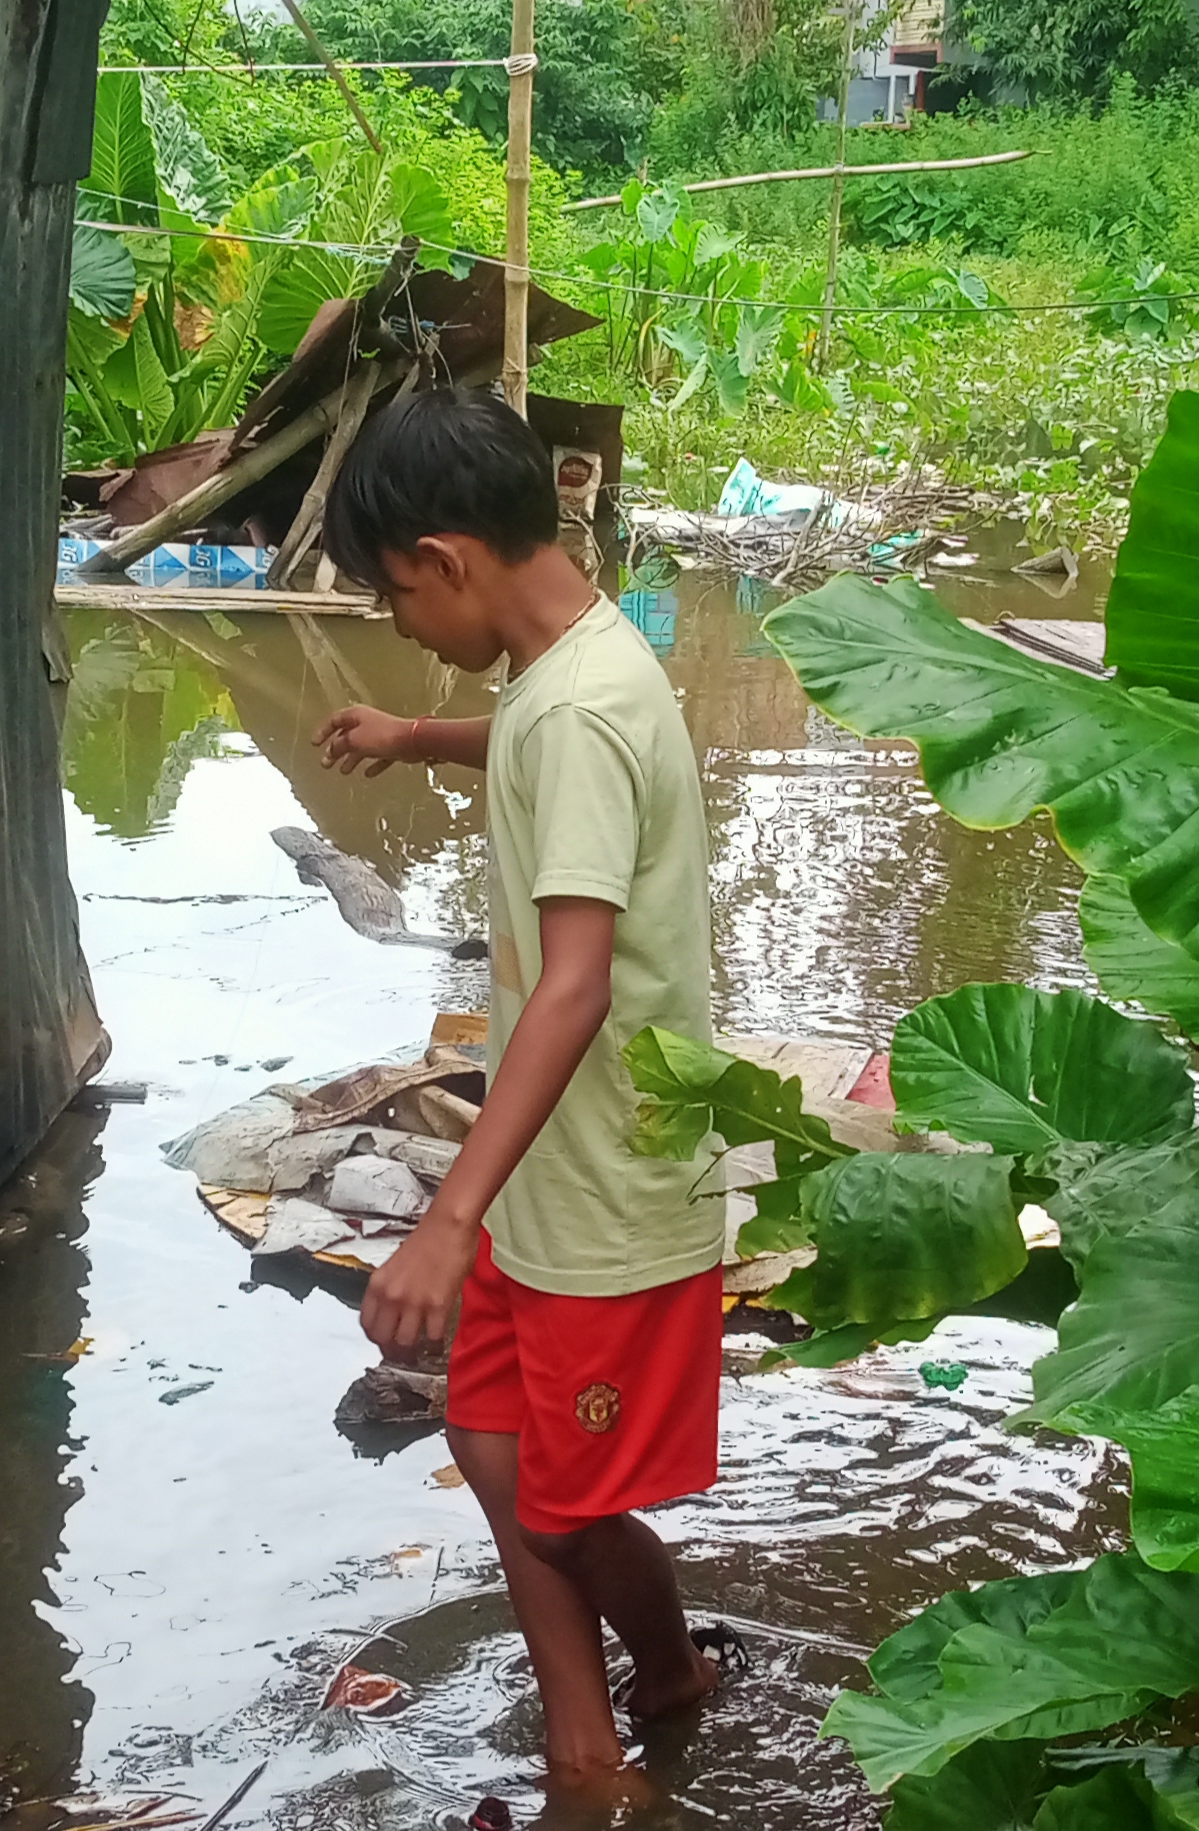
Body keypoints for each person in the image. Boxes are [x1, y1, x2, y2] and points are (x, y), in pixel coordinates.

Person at [312, 387, 726, 1804]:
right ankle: (585, 1736)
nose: (401, 625)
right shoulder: (576, 666)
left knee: (562, 1504)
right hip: (548, 1171)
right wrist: (419, 736)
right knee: (492, 1447)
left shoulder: (576, 713)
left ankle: (653, 1688)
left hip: (604, 1180)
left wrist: (445, 1215)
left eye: (390, 598)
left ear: (445, 559)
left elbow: (574, 984)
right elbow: (545, 757)